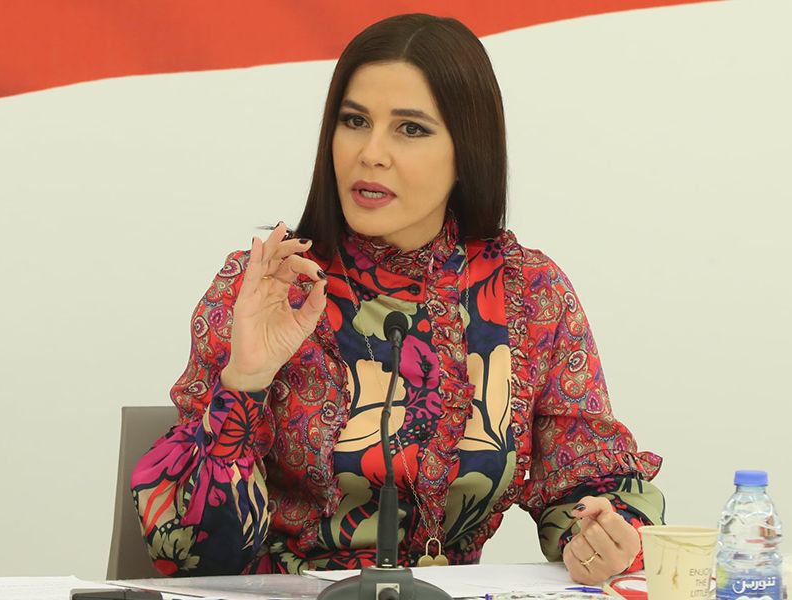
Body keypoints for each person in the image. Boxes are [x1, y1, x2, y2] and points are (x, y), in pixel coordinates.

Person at [131, 13, 664, 584]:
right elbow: (192, 558)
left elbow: (588, 481)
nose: (371, 153)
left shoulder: (528, 293)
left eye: (410, 129)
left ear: (467, 153)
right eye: (354, 121)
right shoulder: (267, 287)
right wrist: (245, 380)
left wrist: (603, 536)